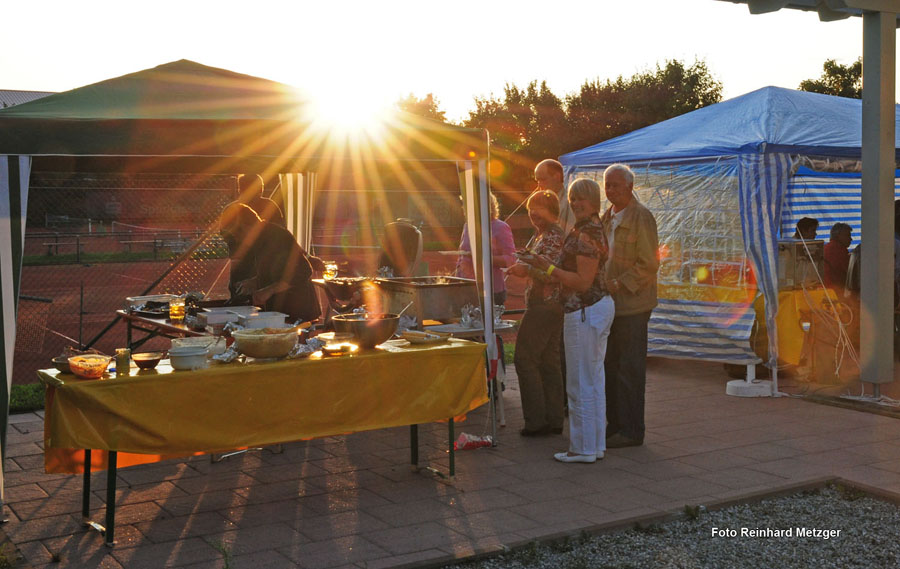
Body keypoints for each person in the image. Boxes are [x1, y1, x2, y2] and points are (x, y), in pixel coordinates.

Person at [522, 179, 614, 463]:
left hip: (584, 309)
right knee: (593, 381)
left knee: (580, 383)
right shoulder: (587, 228)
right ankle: (594, 445)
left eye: (581, 198)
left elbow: (583, 282)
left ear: (595, 201)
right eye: (572, 198)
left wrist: (547, 267)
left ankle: (582, 448)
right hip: (592, 308)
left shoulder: (587, 232)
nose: (575, 203)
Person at [601, 164, 659, 449]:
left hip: (633, 305)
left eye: (615, 185)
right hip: (610, 304)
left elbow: (649, 264)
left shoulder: (642, 217)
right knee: (611, 367)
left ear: (630, 187)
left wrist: (620, 283)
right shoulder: (606, 217)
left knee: (629, 369)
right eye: (607, 185)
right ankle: (615, 426)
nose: (610, 190)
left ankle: (632, 430)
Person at [506, 191, 566, 437]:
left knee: (525, 358)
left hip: (545, 303)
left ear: (551, 211)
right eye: (531, 209)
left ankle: (536, 420)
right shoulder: (542, 235)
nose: (533, 214)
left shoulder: (553, 236)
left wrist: (525, 270)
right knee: (548, 361)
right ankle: (553, 418)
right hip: (548, 303)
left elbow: (552, 272)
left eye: (538, 209)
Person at [217, 202, 321, 323]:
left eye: (237, 235)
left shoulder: (277, 237)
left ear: (246, 226)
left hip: (298, 312)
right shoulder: (258, 239)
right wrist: (254, 282)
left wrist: (268, 291)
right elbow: (275, 270)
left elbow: (303, 271)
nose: (238, 240)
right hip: (280, 312)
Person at [455, 193, 516, 306]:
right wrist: (456, 278)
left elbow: (511, 259)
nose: (465, 208)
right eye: (465, 205)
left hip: (491, 290)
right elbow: (462, 256)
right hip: (465, 287)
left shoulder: (501, 227)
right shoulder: (468, 226)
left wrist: (482, 257)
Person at [534, 159, 576, 234]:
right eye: (538, 180)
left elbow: (569, 234)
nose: (539, 185)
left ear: (557, 176)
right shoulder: (544, 202)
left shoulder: (570, 202)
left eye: (543, 180)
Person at [823, 222, 852, 294]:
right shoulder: (839, 249)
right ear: (839, 236)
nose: (851, 239)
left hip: (826, 288)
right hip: (835, 291)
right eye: (848, 235)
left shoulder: (826, 247)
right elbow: (850, 271)